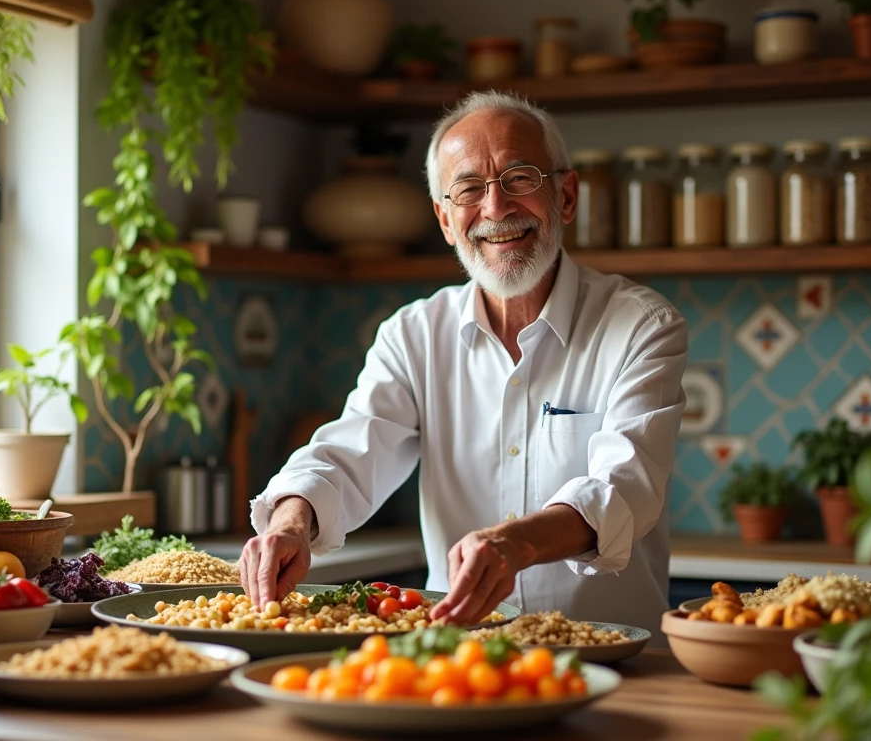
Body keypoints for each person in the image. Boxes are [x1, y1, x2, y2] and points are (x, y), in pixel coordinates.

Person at [239, 90, 688, 640]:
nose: (495, 209)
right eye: (470, 188)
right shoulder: (413, 334)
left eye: (520, 178)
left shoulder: (642, 325)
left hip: (610, 657)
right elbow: (350, 450)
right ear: (446, 220)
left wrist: (515, 543)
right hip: (458, 663)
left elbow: (624, 488)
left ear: (566, 196)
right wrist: (290, 521)